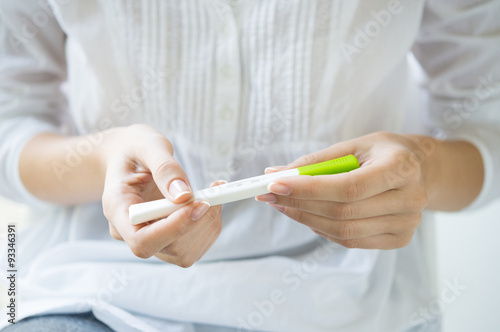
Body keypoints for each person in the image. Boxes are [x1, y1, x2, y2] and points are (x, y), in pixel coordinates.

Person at [1, 1, 499, 331]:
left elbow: (486, 117)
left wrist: (424, 170)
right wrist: (106, 159)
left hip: (356, 297)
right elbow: (11, 116)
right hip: (88, 285)